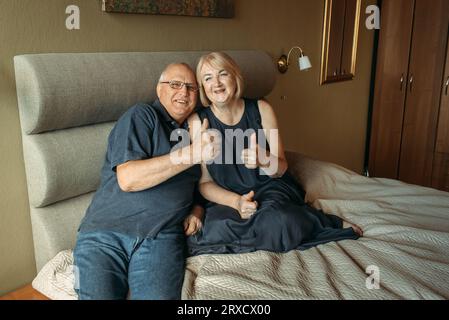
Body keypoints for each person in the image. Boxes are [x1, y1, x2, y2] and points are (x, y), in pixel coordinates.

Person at [186, 52, 363, 256]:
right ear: (203, 87)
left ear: (235, 77)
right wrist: (236, 202)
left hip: (269, 188)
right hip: (227, 197)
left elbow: (282, 168)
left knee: (278, 220)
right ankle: (267, 231)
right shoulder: (197, 122)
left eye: (222, 74)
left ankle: (323, 221)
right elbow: (205, 183)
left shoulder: (262, 109)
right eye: (208, 78)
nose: (216, 83)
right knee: (214, 229)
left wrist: (264, 160)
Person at [73, 63, 214, 300]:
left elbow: (201, 184)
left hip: (161, 236)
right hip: (105, 234)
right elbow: (128, 179)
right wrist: (193, 153)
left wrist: (197, 209)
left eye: (191, 87)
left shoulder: (196, 131)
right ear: (159, 90)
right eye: (175, 84)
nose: (184, 92)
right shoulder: (142, 115)